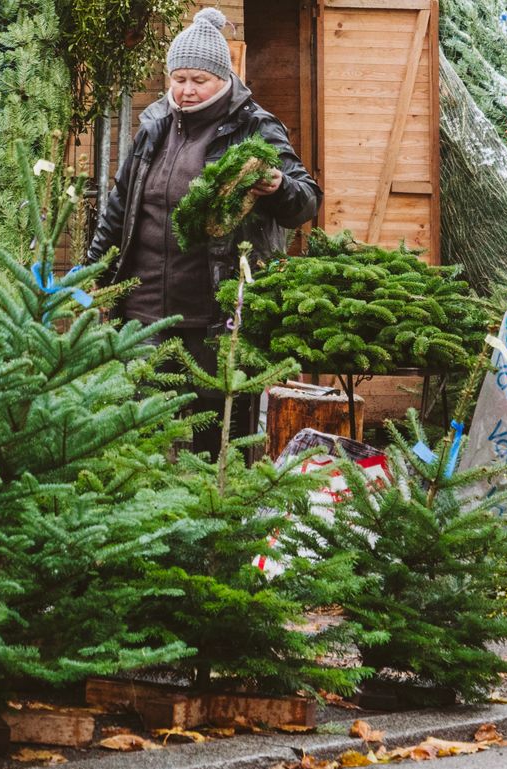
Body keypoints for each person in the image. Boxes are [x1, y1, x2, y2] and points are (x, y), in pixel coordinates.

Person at [84, 7, 322, 459]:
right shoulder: (153, 124)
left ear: (222, 78)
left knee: (215, 443)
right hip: (145, 311)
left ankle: (215, 523)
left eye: (199, 80)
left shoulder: (254, 126)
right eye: (179, 79)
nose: (187, 90)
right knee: (138, 435)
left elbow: (306, 202)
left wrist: (278, 186)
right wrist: (93, 269)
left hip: (214, 315)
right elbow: (121, 206)